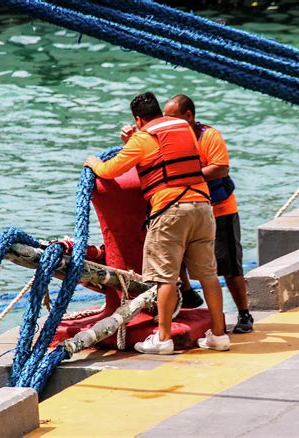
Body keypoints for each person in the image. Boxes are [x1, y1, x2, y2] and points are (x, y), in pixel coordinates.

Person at [84, 92, 230, 354]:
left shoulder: (141, 139)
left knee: (165, 278)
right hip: (201, 206)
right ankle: (219, 336)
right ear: (160, 111)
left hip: (170, 210)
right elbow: (169, 157)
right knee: (208, 274)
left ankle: (163, 339)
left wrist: (93, 161)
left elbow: (110, 170)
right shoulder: (184, 128)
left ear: (138, 119)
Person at [164, 94, 254, 333]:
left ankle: (244, 314)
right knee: (175, 253)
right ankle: (187, 292)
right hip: (190, 209)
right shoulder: (169, 138)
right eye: (165, 118)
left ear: (189, 116)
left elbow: (221, 167)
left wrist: (188, 176)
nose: (168, 123)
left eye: (172, 118)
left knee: (229, 265)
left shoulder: (208, 136)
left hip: (219, 209)